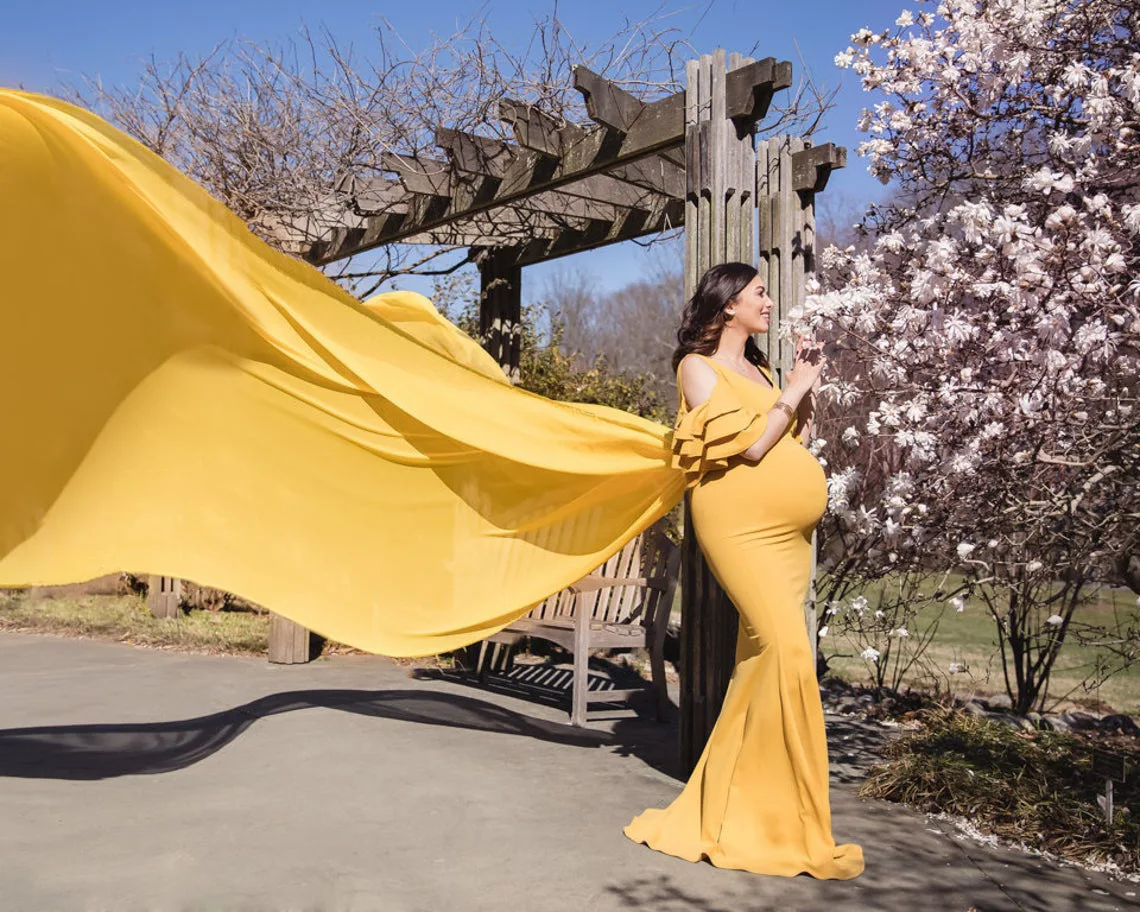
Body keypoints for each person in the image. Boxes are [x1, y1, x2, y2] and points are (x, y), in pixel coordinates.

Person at [623, 262, 865, 880]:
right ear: (727, 304)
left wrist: (796, 388)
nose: (768, 300)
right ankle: (756, 814)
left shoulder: (758, 371)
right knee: (785, 650)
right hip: (739, 525)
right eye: (759, 292)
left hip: (789, 534)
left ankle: (758, 809)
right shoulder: (696, 368)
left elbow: (787, 443)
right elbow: (751, 446)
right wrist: (794, 389)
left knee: (767, 659)